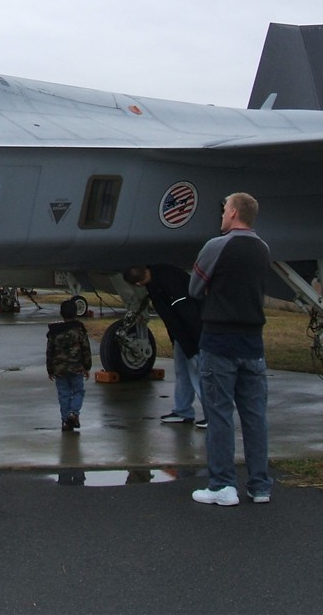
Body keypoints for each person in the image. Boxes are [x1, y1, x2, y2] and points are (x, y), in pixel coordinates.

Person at [188, 193, 272, 506]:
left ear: (234, 212)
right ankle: (260, 485)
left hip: (219, 342)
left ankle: (223, 485)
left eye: (224, 209)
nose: (222, 215)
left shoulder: (216, 246)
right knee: (255, 417)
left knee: (220, 416)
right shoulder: (263, 248)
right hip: (253, 344)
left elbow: (194, 288)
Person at [122, 264, 205, 428]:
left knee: (199, 372)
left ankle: (213, 415)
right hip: (181, 335)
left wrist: (195, 341)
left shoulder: (168, 282)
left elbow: (188, 313)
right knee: (182, 371)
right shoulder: (154, 280)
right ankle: (183, 411)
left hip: (193, 334)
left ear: (137, 284)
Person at [46, 299, 93, 432]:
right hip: (76, 368)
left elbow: (49, 351)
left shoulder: (54, 332)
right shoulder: (79, 330)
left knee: (64, 394)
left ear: (62, 314)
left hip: (60, 369)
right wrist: (87, 366)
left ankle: (65, 420)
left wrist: (50, 369)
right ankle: (74, 412)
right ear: (76, 313)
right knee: (78, 391)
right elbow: (85, 348)